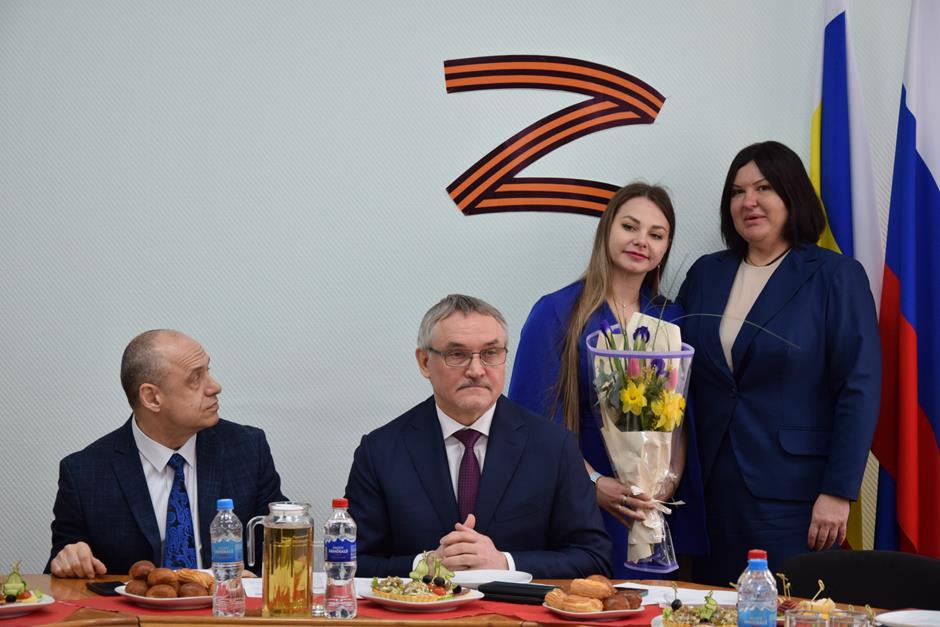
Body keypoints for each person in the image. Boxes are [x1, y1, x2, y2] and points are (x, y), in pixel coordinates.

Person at [676, 141, 881, 585]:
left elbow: (859, 387)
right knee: (710, 608)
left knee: (786, 608)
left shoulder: (834, 276)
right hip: (711, 492)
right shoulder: (706, 273)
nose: (748, 201)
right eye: (737, 192)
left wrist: (838, 491)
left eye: (763, 188)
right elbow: (676, 368)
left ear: (792, 195)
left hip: (795, 498)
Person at [508, 183, 708, 578]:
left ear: (666, 247)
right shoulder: (557, 312)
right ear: (607, 230)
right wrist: (594, 482)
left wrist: (664, 484)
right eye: (629, 227)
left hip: (648, 507)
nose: (641, 241)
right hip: (577, 499)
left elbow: (680, 417)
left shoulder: (670, 318)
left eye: (656, 234)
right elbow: (534, 420)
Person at [344, 294, 612, 579]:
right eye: (457, 355)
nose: (475, 370)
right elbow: (350, 562)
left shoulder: (553, 446)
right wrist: (426, 564)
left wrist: (503, 563)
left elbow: (593, 558)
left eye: (490, 353)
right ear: (424, 362)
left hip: (514, 607)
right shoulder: (380, 451)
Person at [46, 330, 287, 577]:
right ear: (152, 397)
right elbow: (62, 569)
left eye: (207, 371)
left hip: (228, 601)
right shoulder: (84, 475)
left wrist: (254, 582)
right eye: (195, 378)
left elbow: (282, 546)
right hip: (136, 603)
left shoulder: (247, 449)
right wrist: (69, 559)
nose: (215, 387)